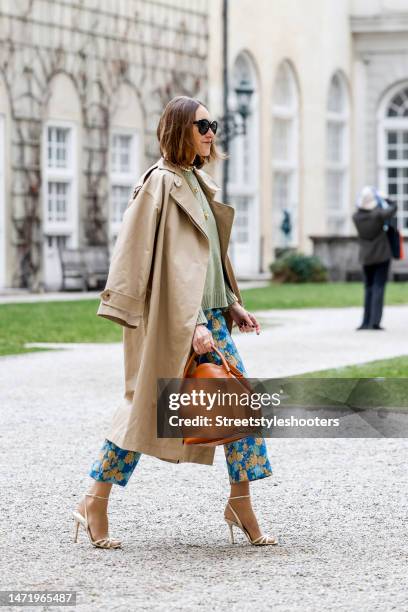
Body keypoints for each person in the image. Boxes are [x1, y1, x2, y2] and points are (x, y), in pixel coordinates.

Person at [72, 96, 277, 549]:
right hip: (175, 323)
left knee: (242, 407)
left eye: (214, 125)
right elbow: (134, 254)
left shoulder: (198, 182)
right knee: (144, 413)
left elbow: (207, 261)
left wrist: (230, 304)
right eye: (201, 125)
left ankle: (240, 501)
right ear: (177, 129)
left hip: (211, 320)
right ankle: (94, 500)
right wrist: (191, 323)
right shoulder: (159, 184)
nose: (210, 133)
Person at [352, 186, 398, 330]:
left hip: (366, 257)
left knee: (368, 288)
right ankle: (374, 322)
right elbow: (393, 208)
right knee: (378, 287)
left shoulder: (356, 217)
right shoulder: (377, 215)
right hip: (381, 256)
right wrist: (385, 198)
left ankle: (365, 322)